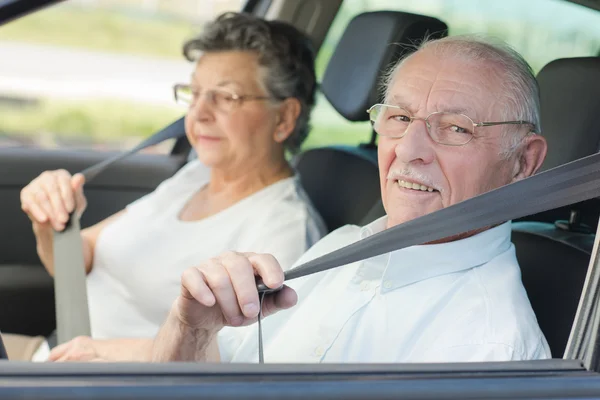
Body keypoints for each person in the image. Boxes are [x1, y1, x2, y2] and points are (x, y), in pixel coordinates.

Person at [150, 34, 552, 363]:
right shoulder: (345, 244)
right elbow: (220, 377)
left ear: (522, 162)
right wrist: (191, 331)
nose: (409, 149)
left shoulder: (488, 349)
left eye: (455, 128)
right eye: (398, 118)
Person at [11, 12, 326, 362]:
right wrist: (50, 218)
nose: (199, 113)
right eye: (196, 93)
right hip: (55, 353)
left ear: (284, 118)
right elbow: (78, 259)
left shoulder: (283, 230)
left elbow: (239, 363)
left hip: (102, 380)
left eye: (226, 97)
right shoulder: (196, 176)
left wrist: (109, 352)